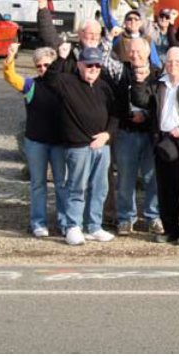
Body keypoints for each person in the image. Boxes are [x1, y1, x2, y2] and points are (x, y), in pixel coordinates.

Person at [131, 46, 179, 246]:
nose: (173, 65)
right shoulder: (159, 83)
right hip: (163, 141)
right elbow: (140, 100)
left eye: (177, 62)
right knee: (166, 189)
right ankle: (170, 230)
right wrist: (139, 82)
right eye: (169, 62)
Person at [47, 46, 119, 245]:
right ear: (79, 64)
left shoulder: (104, 87)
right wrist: (61, 58)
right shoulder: (67, 82)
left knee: (100, 187)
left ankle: (94, 226)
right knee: (76, 188)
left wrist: (107, 135)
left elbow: (115, 114)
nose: (94, 68)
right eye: (89, 65)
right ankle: (73, 226)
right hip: (78, 146)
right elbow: (49, 79)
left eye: (97, 65)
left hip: (102, 146)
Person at [2, 41, 69, 238]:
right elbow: (10, 77)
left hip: (59, 143)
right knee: (38, 184)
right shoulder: (31, 85)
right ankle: (38, 223)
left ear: (54, 65)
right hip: (35, 143)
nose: (42, 68)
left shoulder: (64, 84)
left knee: (62, 184)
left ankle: (66, 222)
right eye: (39, 65)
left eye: (46, 65)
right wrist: (10, 57)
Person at [112, 39, 163, 236]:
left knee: (153, 178)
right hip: (127, 132)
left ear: (148, 51)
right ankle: (126, 218)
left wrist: (147, 115)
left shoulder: (158, 73)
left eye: (138, 51)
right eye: (131, 51)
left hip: (151, 133)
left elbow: (161, 102)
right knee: (125, 179)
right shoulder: (122, 72)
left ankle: (153, 216)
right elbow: (116, 100)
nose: (135, 55)